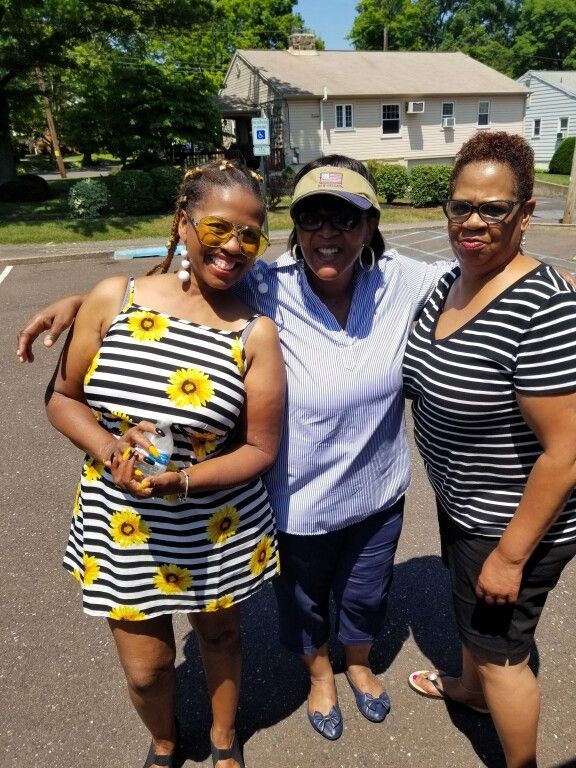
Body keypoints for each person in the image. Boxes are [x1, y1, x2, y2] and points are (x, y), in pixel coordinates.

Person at [18, 155, 450, 742]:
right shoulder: (270, 286)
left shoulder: (405, 281)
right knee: (300, 607)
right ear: (296, 230)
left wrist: (551, 285)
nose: (329, 232)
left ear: (371, 226)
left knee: (366, 594)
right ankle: (318, 674)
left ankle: (358, 663)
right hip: (295, 499)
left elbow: (483, 277)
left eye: (346, 220)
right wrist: (84, 300)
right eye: (313, 218)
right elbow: (185, 283)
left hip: (376, 490)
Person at [43, 159, 286, 768]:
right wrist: (109, 451)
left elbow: (260, 447)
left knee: (221, 635)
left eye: (250, 234)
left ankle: (225, 737)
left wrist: (181, 478)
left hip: (215, 523)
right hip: (121, 520)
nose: (234, 246)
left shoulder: (253, 332)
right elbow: (63, 397)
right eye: (218, 229)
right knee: (147, 669)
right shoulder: (111, 299)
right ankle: (165, 739)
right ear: (183, 223)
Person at [403, 132, 576, 768]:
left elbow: (567, 452)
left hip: (513, 523)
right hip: (466, 504)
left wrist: (508, 557)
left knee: (505, 655)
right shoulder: (454, 279)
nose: (473, 220)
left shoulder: (543, 307)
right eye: (461, 206)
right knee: (472, 625)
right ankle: (469, 691)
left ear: (525, 214)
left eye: (494, 208)